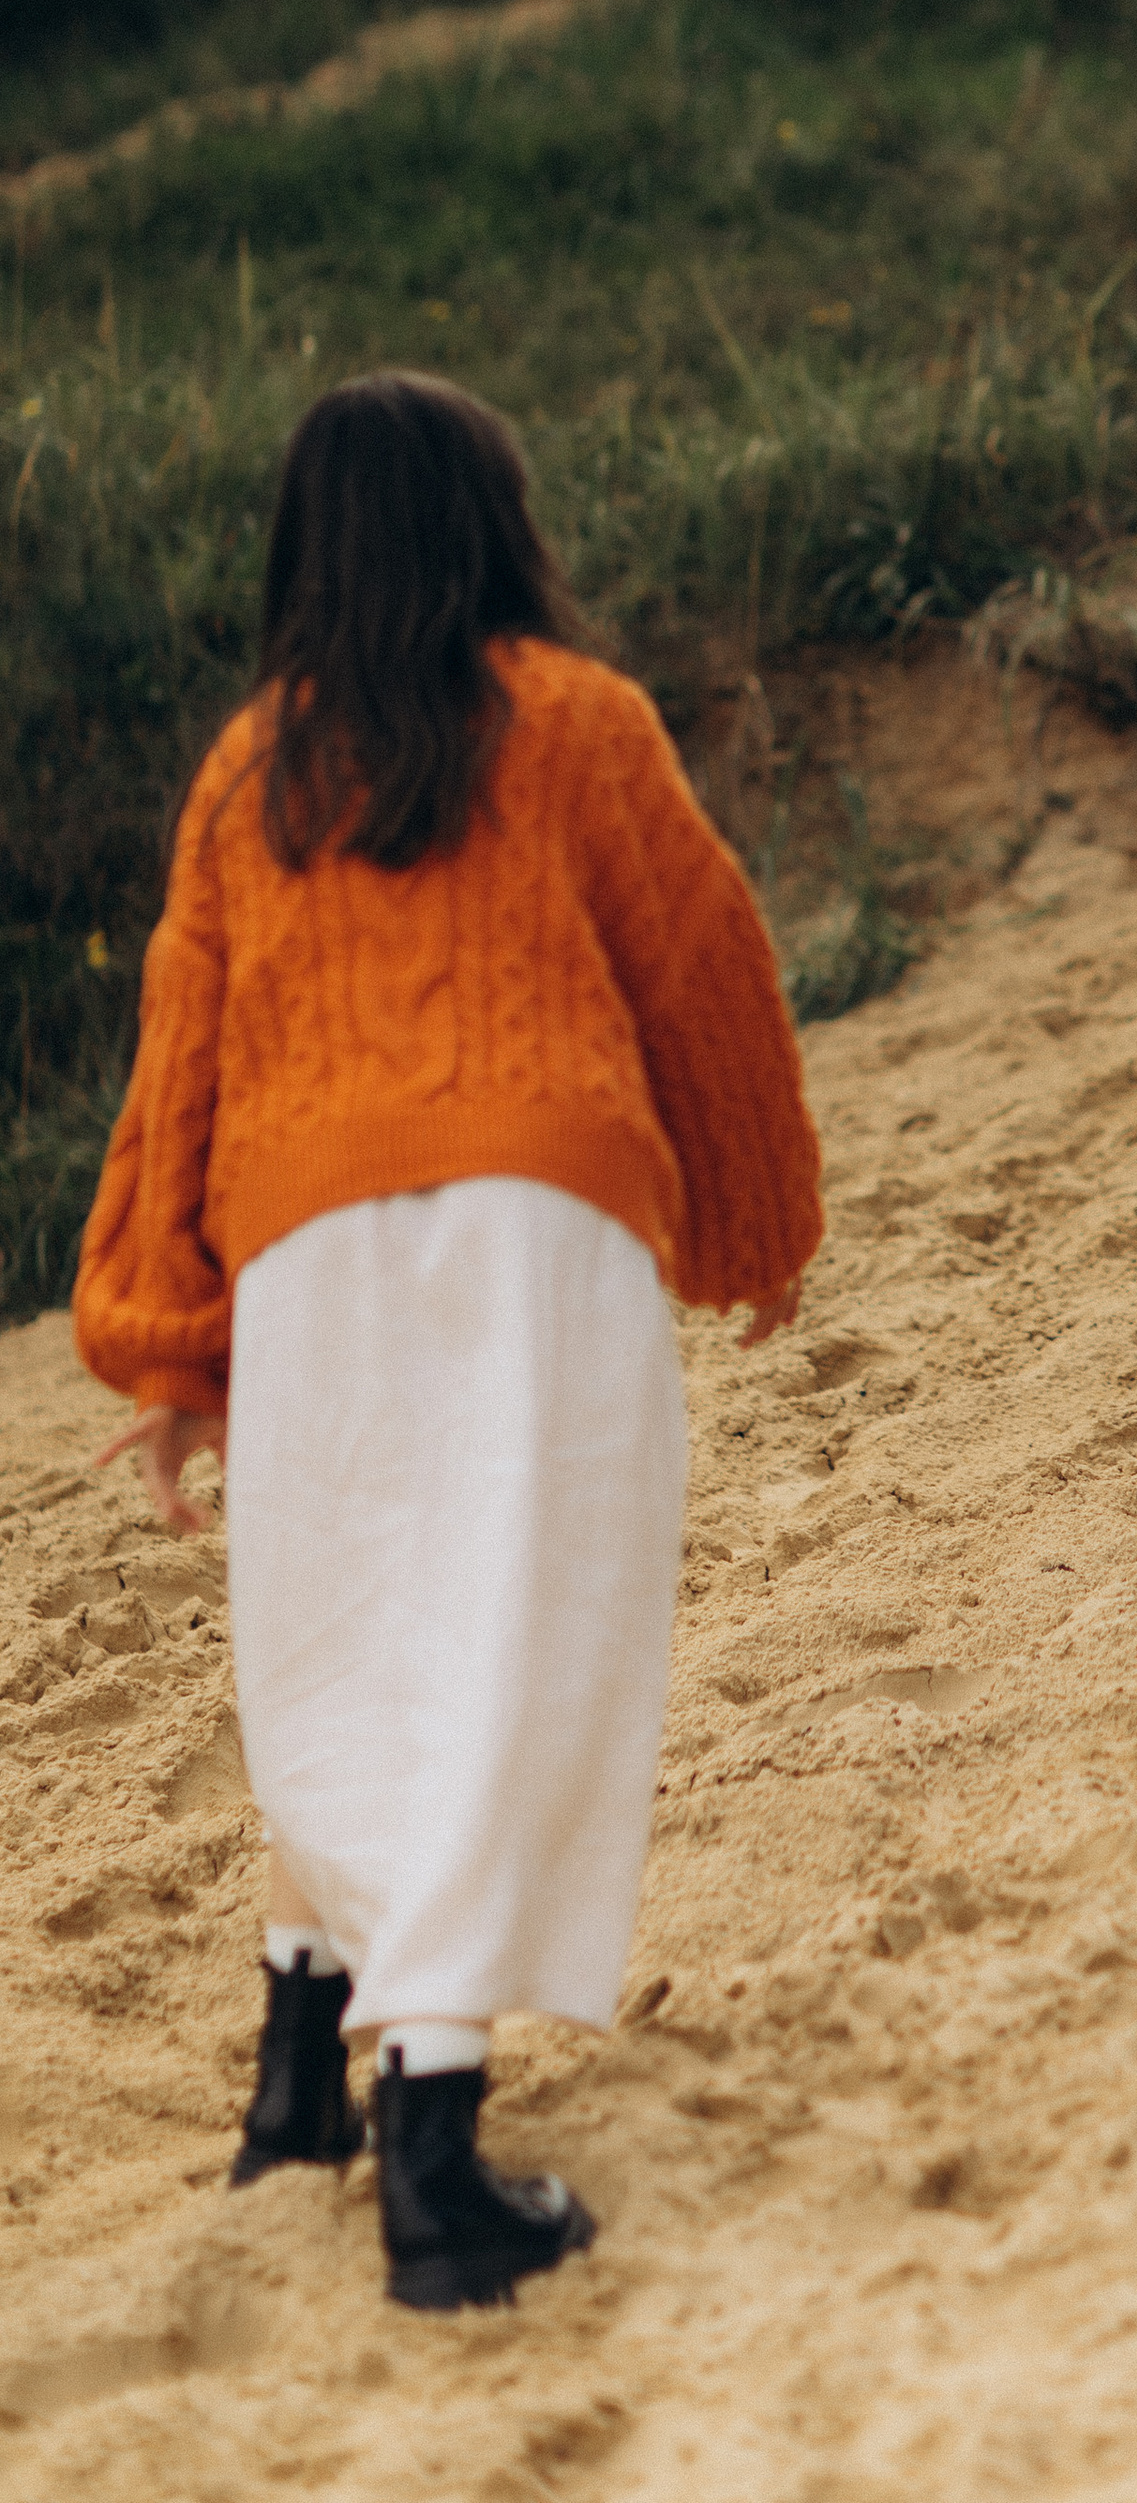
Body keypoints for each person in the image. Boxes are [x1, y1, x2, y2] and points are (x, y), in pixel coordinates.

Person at [73, 372, 826, 2310]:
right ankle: (431, 2158)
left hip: (307, 1252)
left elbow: (185, 1062)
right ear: (498, 524)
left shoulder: (253, 774)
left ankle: (293, 2087)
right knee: (501, 1644)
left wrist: (175, 1349)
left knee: (342, 1642)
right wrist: (753, 1221)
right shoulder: (577, 725)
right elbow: (706, 972)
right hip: (539, 1226)